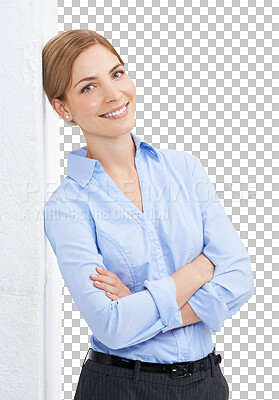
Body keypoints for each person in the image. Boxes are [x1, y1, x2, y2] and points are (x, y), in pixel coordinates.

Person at [42, 29, 254, 400]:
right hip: (120, 388)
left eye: (118, 73)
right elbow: (113, 326)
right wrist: (200, 269)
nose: (114, 95)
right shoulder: (67, 206)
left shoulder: (184, 169)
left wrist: (141, 301)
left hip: (207, 384)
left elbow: (239, 278)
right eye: (89, 87)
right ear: (63, 108)